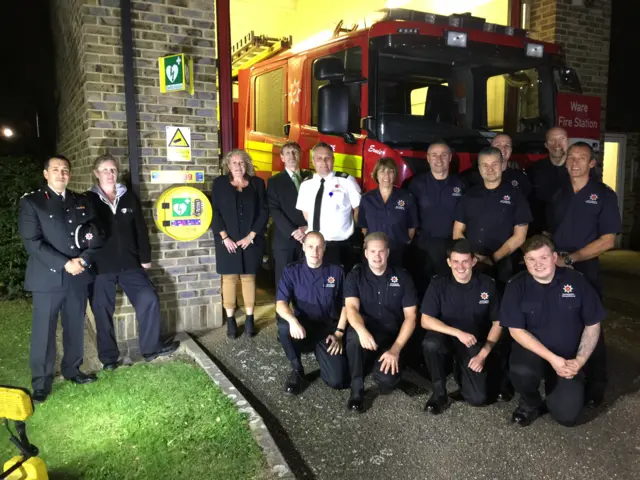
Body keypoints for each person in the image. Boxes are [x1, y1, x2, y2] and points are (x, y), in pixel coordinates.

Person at [18, 155, 104, 402]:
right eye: (55, 169)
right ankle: (42, 382)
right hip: (47, 279)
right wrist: (66, 263)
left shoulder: (82, 200)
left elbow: (96, 234)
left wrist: (84, 260)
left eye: (65, 170)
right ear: (46, 174)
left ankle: (72, 369)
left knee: (75, 326)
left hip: (78, 277)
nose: (61, 173)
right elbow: (32, 242)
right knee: (43, 333)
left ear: (70, 174)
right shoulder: (32, 202)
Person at [546, 141, 621, 406]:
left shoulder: (603, 195)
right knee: (558, 320)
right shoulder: (558, 193)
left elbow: (608, 240)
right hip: (555, 266)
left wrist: (573, 258)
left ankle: (596, 383)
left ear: (592, 163)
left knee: (591, 324)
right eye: (571, 158)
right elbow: (547, 232)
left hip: (585, 266)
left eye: (581, 158)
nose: (575, 162)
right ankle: (562, 374)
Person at [500, 235, 605, 427]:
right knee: (521, 371)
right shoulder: (516, 286)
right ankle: (531, 402)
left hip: (569, 357)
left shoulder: (577, 282)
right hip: (534, 353)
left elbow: (593, 324)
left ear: (554, 257)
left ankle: (565, 386)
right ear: (525, 261)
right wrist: (551, 358)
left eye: (543, 258)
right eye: (531, 259)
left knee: (567, 417)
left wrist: (579, 361)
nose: (537, 264)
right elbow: (515, 330)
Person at [87, 154, 179, 370]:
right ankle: (109, 358)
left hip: (130, 263)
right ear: (96, 173)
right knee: (101, 310)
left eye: (113, 170)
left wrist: (145, 259)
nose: (110, 174)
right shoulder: (87, 200)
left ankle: (151, 349)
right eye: (105, 170)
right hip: (101, 267)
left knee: (149, 299)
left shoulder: (128, 198)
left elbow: (141, 230)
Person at [421, 239, 503, 414]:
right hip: (446, 337)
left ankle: (460, 370)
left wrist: (484, 353)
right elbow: (425, 320)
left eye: (465, 261)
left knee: (478, 399)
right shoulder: (438, 284)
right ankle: (439, 394)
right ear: (449, 262)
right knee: (430, 344)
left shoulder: (488, 284)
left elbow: (498, 323)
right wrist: (457, 333)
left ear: (473, 261)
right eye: (456, 261)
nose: (461, 266)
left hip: (474, 341)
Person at [344, 232, 417, 412]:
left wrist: (396, 349)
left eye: (381, 251)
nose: (377, 256)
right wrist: (361, 330)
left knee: (387, 380)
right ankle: (356, 389)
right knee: (353, 336)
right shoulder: (355, 275)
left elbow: (411, 317)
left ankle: (381, 362)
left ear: (388, 253)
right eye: (373, 251)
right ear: (366, 253)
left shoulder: (403, 277)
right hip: (366, 333)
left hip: (392, 337)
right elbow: (351, 309)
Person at [275, 232, 349, 394]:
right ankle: (297, 370)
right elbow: (280, 304)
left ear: (324, 249)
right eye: (310, 246)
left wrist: (339, 333)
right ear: (303, 247)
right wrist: (293, 321)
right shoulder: (292, 271)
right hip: (303, 328)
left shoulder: (336, 271)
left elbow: (347, 305)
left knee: (338, 381)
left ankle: (322, 355)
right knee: (283, 326)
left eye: (319, 247)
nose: (314, 252)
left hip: (327, 332)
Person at [453, 146, 532, 288]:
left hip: (504, 264)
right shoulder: (469, 195)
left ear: (502, 165)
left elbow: (520, 236)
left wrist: (493, 258)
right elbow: (457, 231)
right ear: (479, 168)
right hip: (471, 263)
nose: (490, 169)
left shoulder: (516, 196)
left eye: (494, 164)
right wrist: (471, 258)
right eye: (485, 165)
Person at [212, 149, 269, 338]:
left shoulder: (258, 184)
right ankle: (230, 321)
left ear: (247, 165)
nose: (238, 166)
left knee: (248, 278)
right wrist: (225, 237)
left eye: (241, 162)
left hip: (251, 241)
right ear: (227, 166)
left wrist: (251, 236)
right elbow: (215, 212)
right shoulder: (219, 184)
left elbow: (263, 211)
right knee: (228, 279)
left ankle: (250, 319)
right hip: (226, 241)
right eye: (234, 163)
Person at [407, 141, 464, 295]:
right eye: (434, 155)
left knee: (447, 288)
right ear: (428, 158)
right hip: (422, 247)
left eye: (444, 155)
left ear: (450, 157)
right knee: (421, 287)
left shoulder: (460, 184)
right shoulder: (416, 184)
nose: (439, 159)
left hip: (450, 247)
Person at [296, 142, 361, 272]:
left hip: (339, 245)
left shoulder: (346, 181)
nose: (323, 162)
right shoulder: (306, 184)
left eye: (327, 158)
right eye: (319, 158)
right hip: (315, 246)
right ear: (313, 161)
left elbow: (358, 210)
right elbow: (306, 213)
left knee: (341, 286)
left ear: (333, 159)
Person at [357, 157, 418, 268]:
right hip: (375, 254)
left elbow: (412, 227)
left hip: (398, 251)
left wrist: (402, 243)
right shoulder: (367, 199)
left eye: (390, 171)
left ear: (395, 175)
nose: (386, 176)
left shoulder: (406, 197)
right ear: (376, 174)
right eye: (382, 171)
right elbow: (364, 227)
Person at [267, 141, 312, 287]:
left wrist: (307, 227)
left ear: (301, 155)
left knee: (305, 280)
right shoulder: (274, 182)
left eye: (295, 152)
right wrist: (294, 231)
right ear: (282, 158)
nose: (292, 156)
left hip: (309, 238)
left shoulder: (311, 178)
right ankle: (281, 311)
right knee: (284, 282)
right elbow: (275, 210)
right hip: (286, 240)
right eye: (287, 153)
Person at [526, 127, 570, 234]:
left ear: (568, 142)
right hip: (542, 235)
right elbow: (529, 203)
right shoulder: (534, 170)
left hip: (572, 235)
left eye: (561, 139)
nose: (557, 144)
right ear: (546, 145)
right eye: (552, 140)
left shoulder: (580, 169)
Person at [462, 134, 532, 198]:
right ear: (490, 148)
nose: (503, 149)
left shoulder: (521, 178)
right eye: (498, 145)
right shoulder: (471, 177)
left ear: (511, 150)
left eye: (507, 145)